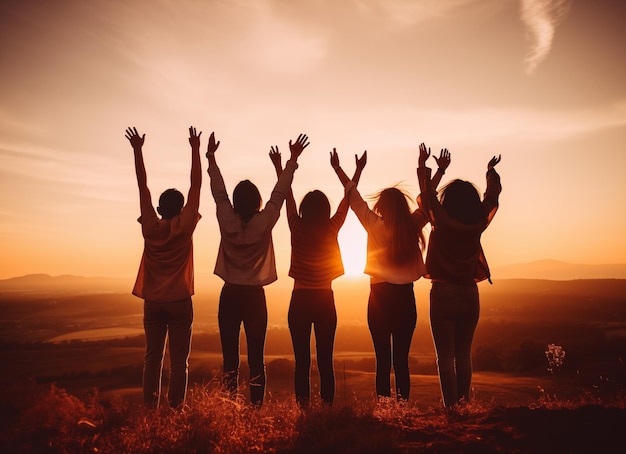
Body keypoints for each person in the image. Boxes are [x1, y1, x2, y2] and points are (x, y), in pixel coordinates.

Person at [331, 148, 448, 401]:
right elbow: (427, 202)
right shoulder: (413, 225)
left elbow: (354, 198)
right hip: (406, 299)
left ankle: (385, 410)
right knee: (401, 361)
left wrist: (343, 169)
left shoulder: (374, 224)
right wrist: (435, 171)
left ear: (382, 206)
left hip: (379, 299)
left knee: (383, 361)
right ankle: (402, 408)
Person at [207, 132, 308, 406]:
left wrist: (211, 158)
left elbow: (218, 192)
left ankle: (230, 408)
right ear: (257, 201)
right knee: (256, 358)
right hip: (254, 297)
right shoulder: (264, 222)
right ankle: (254, 409)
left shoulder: (226, 218)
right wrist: (292, 161)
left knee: (230, 358)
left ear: (236, 201)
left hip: (229, 295)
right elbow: (279, 194)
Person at [270, 147, 367, 406]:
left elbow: (287, 195)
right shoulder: (332, 227)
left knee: (301, 361)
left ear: (304, 210)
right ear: (325, 210)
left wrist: (282, 166)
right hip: (325, 300)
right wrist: (355, 170)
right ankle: (327, 409)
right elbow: (348, 199)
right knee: (326, 359)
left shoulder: (296, 227)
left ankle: (304, 410)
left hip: (299, 300)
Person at [417, 143, 502, 408]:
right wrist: (490, 172)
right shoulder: (479, 223)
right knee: (464, 354)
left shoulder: (440, 221)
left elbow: (427, 194)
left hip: (443, 293)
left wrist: (432, 167)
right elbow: (492, 196)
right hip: (469, 293)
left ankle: (451, 409)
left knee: (445, 357)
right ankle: (464, 405)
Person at [126, 126, 202, 409]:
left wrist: (137, 150)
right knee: (179, 360)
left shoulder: (149, 226)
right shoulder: (185, 227)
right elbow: (196, 186)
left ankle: (149, 410)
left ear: (158, 208)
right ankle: (175, 409)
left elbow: (141, 186)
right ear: (183, 209)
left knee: (152, 358)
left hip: (153, 302)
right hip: (180, 301)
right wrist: (195, 150)